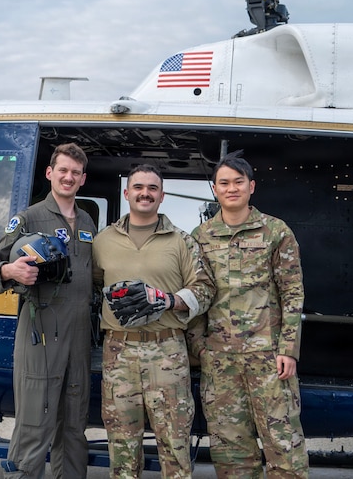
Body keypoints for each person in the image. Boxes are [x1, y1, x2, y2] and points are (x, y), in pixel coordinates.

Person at [188, 151, 308, 478]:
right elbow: (197, 296)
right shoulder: (201, 238)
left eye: (238, 182)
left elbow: (293, 294)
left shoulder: (275, 232)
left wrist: (288, 350)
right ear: (214, 189)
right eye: (224, 183)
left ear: (251, 186)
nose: (231, 189)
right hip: (220, 361)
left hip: (268, 358)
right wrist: (199, 348)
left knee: (283, 442)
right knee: (230, 448)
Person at [0, 143, 97, 479]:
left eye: (75, 172)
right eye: (62, 170)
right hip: (41, 335)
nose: (68, 177)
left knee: (74, 428)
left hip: (78, 339)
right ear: (50, 173)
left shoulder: (87, 221)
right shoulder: (29, 217)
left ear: (83, 179)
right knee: (35, 425)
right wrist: (10, 272)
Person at [93, 165, 214, 479]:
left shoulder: (181, 241)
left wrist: (168, 299)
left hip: (167, 353)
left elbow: (205, 289)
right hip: (118, 352)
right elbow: (92, 287)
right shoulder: (103, 241)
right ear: (127, 193)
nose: (144, 193)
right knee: (121, 444)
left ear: (161, 196)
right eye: (138, 187)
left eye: (152, 188)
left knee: (174, 442)